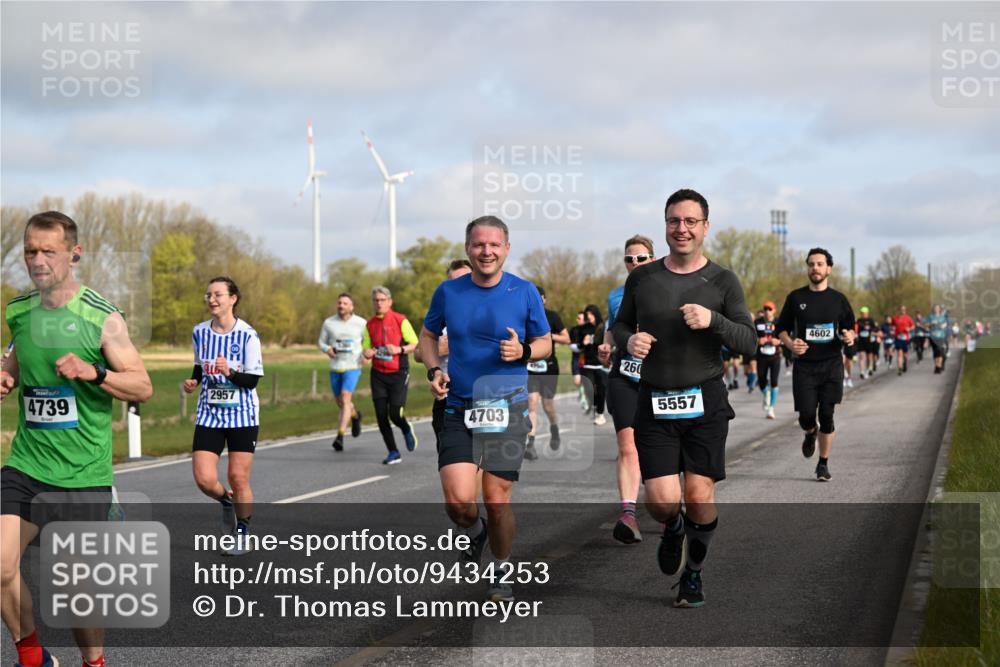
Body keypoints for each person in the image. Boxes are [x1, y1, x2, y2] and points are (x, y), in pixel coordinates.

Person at [1, 211, 153, 667]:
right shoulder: (18, 311)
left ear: (75, 254)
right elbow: (16, 358)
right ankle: (33, 657)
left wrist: (94, 372)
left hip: (83, 471)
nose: (38, 259)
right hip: (26, 464)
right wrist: (6, 377)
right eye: (30, 250)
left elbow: (142, 386)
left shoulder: (102, 318)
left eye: (49, 250)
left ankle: (93, 662)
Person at [612, 189, 756, 608]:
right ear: (666, 225)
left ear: (705, 227)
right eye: (675, 221)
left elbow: (748, 340)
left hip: (705, 399)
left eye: (691, 221)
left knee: (698, 495)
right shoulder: (643, 278)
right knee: (660, 503)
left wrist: (714, 321)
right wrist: (630, 340)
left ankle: (692, 574)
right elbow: (619, 328)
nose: (683, 229)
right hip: (654, 399)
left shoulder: (723, 280)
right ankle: (672, 529)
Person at [419, 215, 551, 602]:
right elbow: (428, 335)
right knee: (459, 502)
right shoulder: (448, 292)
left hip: (507, 407)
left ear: (507, 249)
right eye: (479, 244)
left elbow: (544, 342)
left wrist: (523, 351)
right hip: (459, 406)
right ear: (467, 249)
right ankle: (476, 533)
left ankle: (502, 567)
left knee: (496, 498)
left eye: (494, 244)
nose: (486, 251)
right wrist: (432, 370)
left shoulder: (523, 292)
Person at [184, 276, 264, 557]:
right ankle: (227, 502)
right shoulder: (199, 332)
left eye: (218, 294)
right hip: (209, 414)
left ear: (233, 298)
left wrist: (229, 372)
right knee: (205, 479)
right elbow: (198, 366)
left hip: (242, 416)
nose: (212, 299)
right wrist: (193, 382)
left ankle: (242, 532)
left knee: (237, 477)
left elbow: (252, 380)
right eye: (208, 295)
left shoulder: (247, 335)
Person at [776, 248, 856, 482]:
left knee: (828, 415)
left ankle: (823, 464)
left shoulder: (838, 299)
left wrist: (850, 336)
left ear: (828, 268)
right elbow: (781, 329)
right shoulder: (796, 298)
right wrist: (791, 345)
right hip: (805, 367)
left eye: (820, 264)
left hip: (831, 365)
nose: (815, 268)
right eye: (811, 264)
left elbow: (850, 327)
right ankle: (810, 432)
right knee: (807, 416)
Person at [599, 234, 656, 544]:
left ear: (653, 259)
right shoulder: (615, 295)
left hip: (659, 380)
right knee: (628, 446)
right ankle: (628, 514)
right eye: (629, 259)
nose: (635, 263)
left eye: (641, 258)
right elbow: (611, 328)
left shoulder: (666, 288)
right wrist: (606, 348)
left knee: (658, 449)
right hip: (624, 375)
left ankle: (668, 510)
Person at [362, 286, 419, 465]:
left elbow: (415, 344)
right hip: (378, 373)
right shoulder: (369, 324)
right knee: (380, 414)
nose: (379, 303)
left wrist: (399, 349)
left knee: (395, 413)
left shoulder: (400, 320)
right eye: (376, 300)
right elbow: (365, 347)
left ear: (389, 301)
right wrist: (367, 353)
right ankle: (393, 451)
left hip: (398, 372)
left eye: (382, 300)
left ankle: (405, 427)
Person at [424, 260, 473, 451]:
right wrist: (438, 350)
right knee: (449, 458)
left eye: (464, 279)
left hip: (481, 394)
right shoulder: (440, 312)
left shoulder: (488, 309)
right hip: (445, 393)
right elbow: (419, 354)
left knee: (482, 461)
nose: (459, 285)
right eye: (453, 281)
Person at [317, 293, 367, 451]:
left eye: (345, 303)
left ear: (351, 307)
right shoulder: (329, 323)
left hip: (353, 366)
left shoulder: (361, 323)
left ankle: (340, 436)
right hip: (335, 366)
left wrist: (367, 355)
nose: (341, 305)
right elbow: (321, 342)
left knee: (345, 398)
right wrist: (327, 349)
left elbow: (369, 341)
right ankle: (355, 415)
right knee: (340, 402)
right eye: (339, 303)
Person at [526, 286, 569, 459]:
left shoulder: (552, 316)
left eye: (539, 297)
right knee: (531, 402)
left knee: (547, 405)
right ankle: (530, 443)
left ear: (544, 299)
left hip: (549, 367)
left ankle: (554, 429)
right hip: (531, 366)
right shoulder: (525, 316)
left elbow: (566, 338)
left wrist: (548, 336)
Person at [572, 305, 607, 425]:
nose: (589, 317)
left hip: (601, 365)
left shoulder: (603, 328)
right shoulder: (583, 329)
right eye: (587, 315)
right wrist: (583, 343)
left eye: (591, 314)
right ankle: (594, 406)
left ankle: (600, 414)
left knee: (601, 390)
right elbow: (576, 347)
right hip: (587, 364)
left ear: (596, 314)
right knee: (589, 389)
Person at [754, 301, 782, 419]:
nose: (767, 311)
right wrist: (757, 340)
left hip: (775, 356)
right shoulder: (757, 322)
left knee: (774, 381)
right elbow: (750, 335)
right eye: (765, 309)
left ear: (774, 310)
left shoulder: (779, 322)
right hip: (762, 356)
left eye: (770, 309)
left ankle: (771, 409)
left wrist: (779, 341)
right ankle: (766, 394)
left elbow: (786, 336)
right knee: (761, 379)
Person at [568, 311, 589, 413]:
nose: (577, 320)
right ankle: (582, 393)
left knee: (586, 380)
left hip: (588, 358)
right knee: (577, 381)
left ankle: (585, 397)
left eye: (579, 318)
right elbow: (570, 344)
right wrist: (578, 347)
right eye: (577, 318)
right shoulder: (573, 330)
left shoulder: (590, 330)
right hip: (576, 357)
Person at [855, 306, 879, 378]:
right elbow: (856, 328)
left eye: (865, 313)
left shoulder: (871, 320)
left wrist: (871, 330)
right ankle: (862, 372)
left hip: (869, 341)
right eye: (862, 313)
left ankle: (870, 368)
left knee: (869, 356)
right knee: (861, 356)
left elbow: (875, 328)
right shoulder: (858, 321)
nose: (864, 314)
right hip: (861, 341)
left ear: (867, 313)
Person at [891, 305, 915, 375]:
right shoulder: (895, 318)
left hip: (906, 338)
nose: (902, 311)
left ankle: (905, 363)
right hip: (898, 337)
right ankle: (900, 369)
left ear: (905, 310)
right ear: (899, 310)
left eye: (904, 310)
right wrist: (893, 329)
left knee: (905, 354)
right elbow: (892, 325)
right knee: (899, 353)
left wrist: (909, 329)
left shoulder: (908, 318)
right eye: (901, 310)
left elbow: (913, 326)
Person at [926, 304, 949, 374]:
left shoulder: (943, 317)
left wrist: (943, 326)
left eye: (937, 308)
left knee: (940, 351)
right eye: (935, 308)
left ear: (939, 309)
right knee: (935, 352)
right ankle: (936, 366)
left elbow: (946, 325)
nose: (936, 309)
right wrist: (931, 323)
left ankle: (939, 366)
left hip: (941, 336)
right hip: (933, 336)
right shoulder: (930, 317)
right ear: (933, 309)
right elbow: (926, 325)